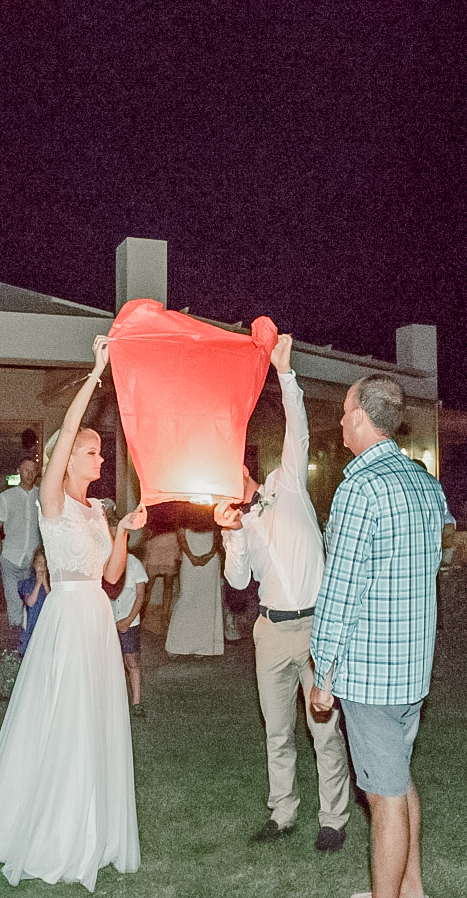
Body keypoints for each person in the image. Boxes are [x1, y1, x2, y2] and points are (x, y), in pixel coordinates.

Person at [0, 334, 147, 892]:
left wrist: (124, 532)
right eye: (91, 451)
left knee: (97, 718)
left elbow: (112, 578)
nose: (99, 457)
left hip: (95, 617)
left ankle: (99, 828)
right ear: (68, 460)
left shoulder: (96, 510)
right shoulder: (53, 502)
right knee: (64, 718)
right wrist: (95, 374)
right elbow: (59, 447)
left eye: (98, 452)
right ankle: (60, 828)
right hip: (65, 617)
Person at [308, 375, 450, 898]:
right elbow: (431, 556)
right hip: (412, 667)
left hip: (371, 674)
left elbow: (339, 591)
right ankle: (410, 893)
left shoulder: (359, 489)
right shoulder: (422, 480)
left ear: (364, 418)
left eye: (345, 413)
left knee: (385, 795)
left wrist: (324, 673)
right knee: (397, 777)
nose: (340, 422)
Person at [214, 333, 351, 853]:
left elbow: (299, 428)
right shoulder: (241, 524)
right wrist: (230, 532)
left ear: (244, 467)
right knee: (277, 731)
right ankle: (283, 812)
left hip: (317, 627)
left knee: (325, 730)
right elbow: (236, 584)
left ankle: (333, 820)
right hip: (270, 631)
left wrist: (285, 372)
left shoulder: (286, 482)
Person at [0, 457, 42, 632]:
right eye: (26, 469)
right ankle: (14, 646)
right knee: (13, 603)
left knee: (34, 603)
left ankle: (30, 643)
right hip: (11, 558)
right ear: (18, 470)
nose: (29, 473)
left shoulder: (41, 495)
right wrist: (0, 555)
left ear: (37, 473)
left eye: (33, 470)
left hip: (34, 562)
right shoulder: (5, 498)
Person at [165, 516, 223, 656]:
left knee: (207, 603)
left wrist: (209, 555)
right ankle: (177, 646)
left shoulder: (213, 515)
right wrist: (192, 557)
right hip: (190, 562)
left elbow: (217, 538)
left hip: (210, 562)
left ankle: (204, 647)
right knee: (187, 599)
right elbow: (181, 539)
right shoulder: (183, 516)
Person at [110, 543, 149, 717]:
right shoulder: (104, 563)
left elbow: (140, 596)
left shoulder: (134, 563)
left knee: (132, 662)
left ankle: (137, 702)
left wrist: (128, 620)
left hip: (129, 621)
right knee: (109, 662)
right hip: (108, 622)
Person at [142, 525, 180, 623]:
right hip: (155, 541)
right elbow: (147, 525)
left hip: (172, 541)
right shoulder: (151, 509)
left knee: (169, 583)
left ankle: (165, 615)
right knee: (148, 585)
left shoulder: (176, 509)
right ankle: (141, 612)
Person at [16, 547, 49, 657]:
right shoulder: (29, 583)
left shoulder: (51, 585)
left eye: (44, 564)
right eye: (39, 563)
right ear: (34, 564)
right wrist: (38, 584)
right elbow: (30, 602)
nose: (42, 567)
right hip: (33, 622)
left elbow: (51, 601)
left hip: (46, 622)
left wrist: (44, 584)